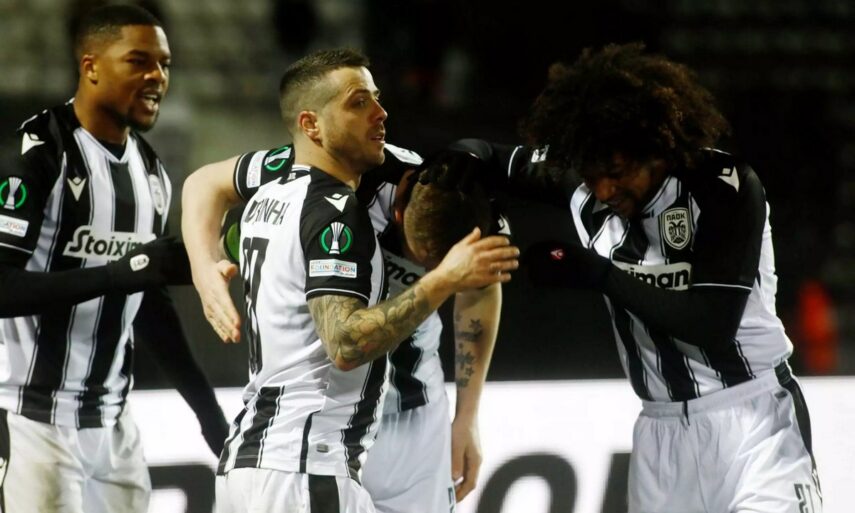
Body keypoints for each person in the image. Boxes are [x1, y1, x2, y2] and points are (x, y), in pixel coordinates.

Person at [442, 42, 823, 513]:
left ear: (655, 149)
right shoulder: (590, 187)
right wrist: (462, 157)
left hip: (754, 422)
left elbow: (712, 324)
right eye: (592, 175)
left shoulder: (724, 186)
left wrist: (596, 273)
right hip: (660, 438)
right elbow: (493, 157)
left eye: (617, 172)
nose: (604, 189)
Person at [181, 49, 517, 513]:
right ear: (397, 210)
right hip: (322, 430)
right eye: (359, 102)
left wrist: (468, 416)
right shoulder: (323, 190)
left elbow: (481, 287)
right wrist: (204, 268)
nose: (381, 113)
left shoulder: (447, 197)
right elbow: (203, 183)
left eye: (377, 98)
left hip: (407, 415)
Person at [0, 5, 228, 512]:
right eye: (138, 61)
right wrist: (120, 273)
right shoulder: (37, 155)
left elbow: (148, 302)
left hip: (114, 425)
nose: (157, 77)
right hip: (33, 419)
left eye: (164, 64)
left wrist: (207, 413)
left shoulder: (152, 173)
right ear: (91, 67)